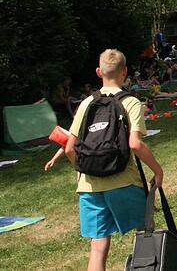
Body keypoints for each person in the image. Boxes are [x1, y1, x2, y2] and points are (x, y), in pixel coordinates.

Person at [64, 49, 164, 271]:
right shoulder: (131, 103)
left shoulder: (86, 104)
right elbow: (135, 144)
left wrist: (80, 171)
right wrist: (158, 171)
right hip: (124, 181)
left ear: (99, 72)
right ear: (125, 71)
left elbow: (70, 148)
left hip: (89, 186)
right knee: (145, 233)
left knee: (98, 247)